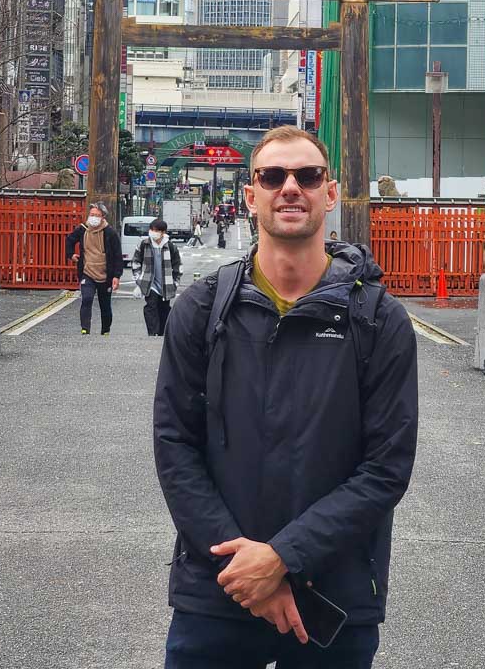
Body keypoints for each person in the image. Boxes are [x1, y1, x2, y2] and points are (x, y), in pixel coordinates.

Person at [154, 125, 418, 669]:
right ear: (250, 196)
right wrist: (247, 568)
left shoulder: (378, 320)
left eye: (307, 175)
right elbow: (176, 446)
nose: (290, 187)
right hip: (219, 586)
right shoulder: (201, 312)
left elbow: (386, 466)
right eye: (273, 176)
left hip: (332, 594)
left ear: (331, 191)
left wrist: (280, 559)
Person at [65, 201, 122, 336]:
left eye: (97, 215)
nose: (93, 217)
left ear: (103, 217)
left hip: (105, 273)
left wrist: (116, 276)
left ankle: (105, 330)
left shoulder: (110, 233)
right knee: (87, 298)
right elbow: (70, 240)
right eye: (91, 214)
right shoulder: (82, 229)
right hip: (87, 271)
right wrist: (71, 254)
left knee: (105, 304)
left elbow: (117, 256)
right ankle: (85, 328)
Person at [132, 218, 182, 336]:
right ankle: (152, 333)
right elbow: (136, 262)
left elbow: (177, 266)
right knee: (151, 306)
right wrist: (139, 280)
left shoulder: (170, 247)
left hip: (166, 284)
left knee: (164, 309)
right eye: (151, 230)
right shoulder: (144, 244)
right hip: (150, 283)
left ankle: (162, 333)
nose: (152, 232)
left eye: (156, 230)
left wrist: (175, 283)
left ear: (163, 232)